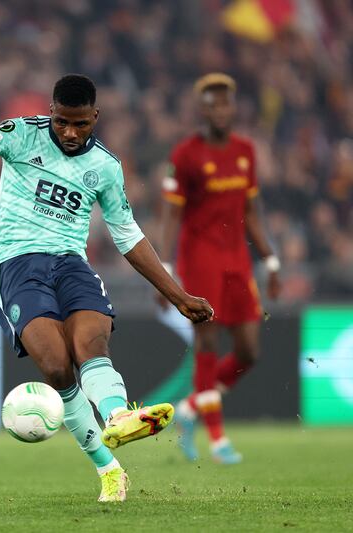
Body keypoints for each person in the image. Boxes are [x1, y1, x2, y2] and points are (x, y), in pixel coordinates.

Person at [0, 74, 213, 502]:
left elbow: (128, 236)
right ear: (51, 111)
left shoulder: (105, 166)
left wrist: (178, 295)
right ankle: (108, 469)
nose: (70, 133)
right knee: (56, 367)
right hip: (16, 263)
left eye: (81, 124)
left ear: (95, 118)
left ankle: (119, 416)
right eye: (63, 122)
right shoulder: (21, 135)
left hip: (71, 263)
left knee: (92, 344)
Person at [159, 73, 280, 464]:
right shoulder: (186, 155)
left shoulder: (245, 151)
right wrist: (164, 271)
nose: (222, 110)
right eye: (213, 104)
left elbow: (252, 212)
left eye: (227, 103)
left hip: (238, 261)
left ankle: (191, 409)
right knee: (208, 347)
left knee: (248, 350)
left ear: (234, 106)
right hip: (200, 261)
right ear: (203, 110)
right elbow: (171, 216)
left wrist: (271, 259)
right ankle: (217, 439)